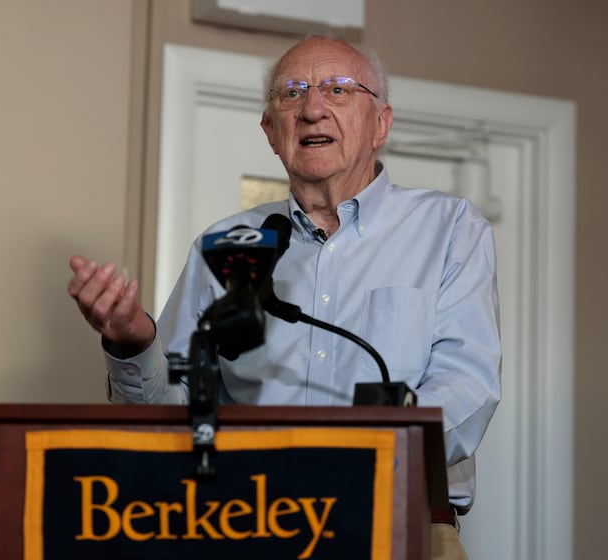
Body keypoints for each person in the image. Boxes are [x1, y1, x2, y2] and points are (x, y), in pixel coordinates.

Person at [68, 36, 501, 560]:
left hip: (397, 519)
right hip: (248, 525)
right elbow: (175, 416)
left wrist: (356, 459)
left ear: (381, 124)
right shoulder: (225, 246)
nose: (313, 109)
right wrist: (133, 344)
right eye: (291, 93)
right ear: (271, 132)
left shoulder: (449, 227)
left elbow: (467, 386)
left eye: (338, 90)